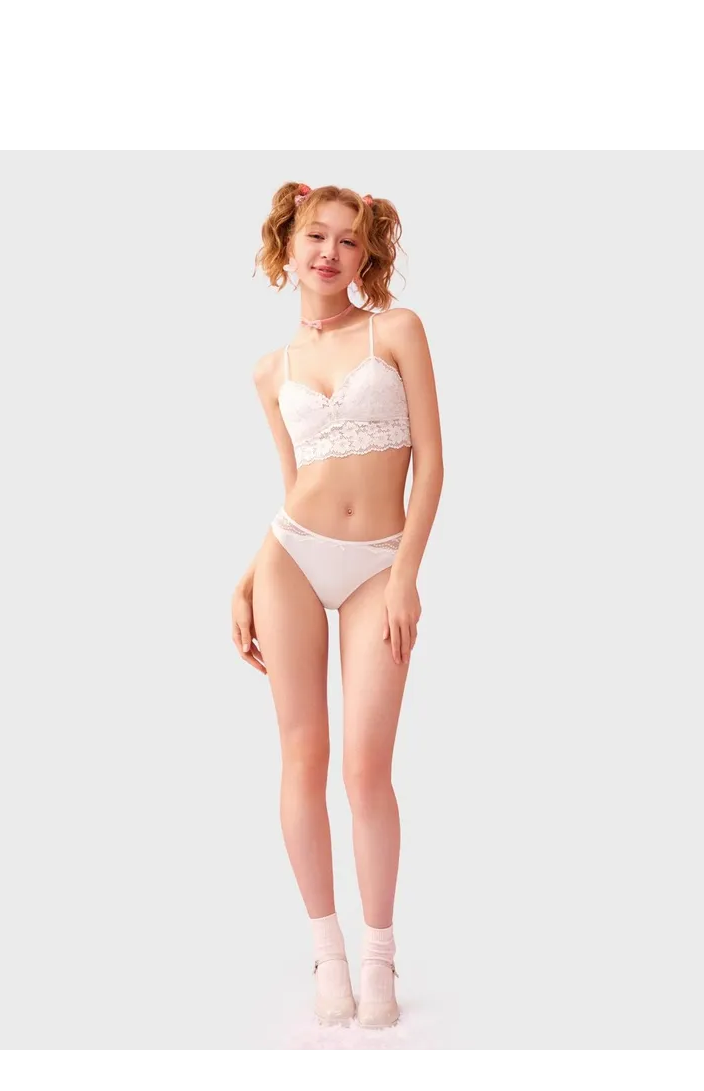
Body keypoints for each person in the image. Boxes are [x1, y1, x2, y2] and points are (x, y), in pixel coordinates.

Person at [230, 182, 444, 1028]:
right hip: (289, 558)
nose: (329, 252)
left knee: (366, 768)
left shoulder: (398, 331)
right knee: (301, 755)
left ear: (366, 255)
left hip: (378, 564)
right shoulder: (269, 371)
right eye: (315, 236)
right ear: (287, 245)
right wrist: (250, 574)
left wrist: (406, 576)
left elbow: (432, 462)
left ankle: (379, 955)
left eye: (348, 241)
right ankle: (328, 954)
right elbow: (295, 487)